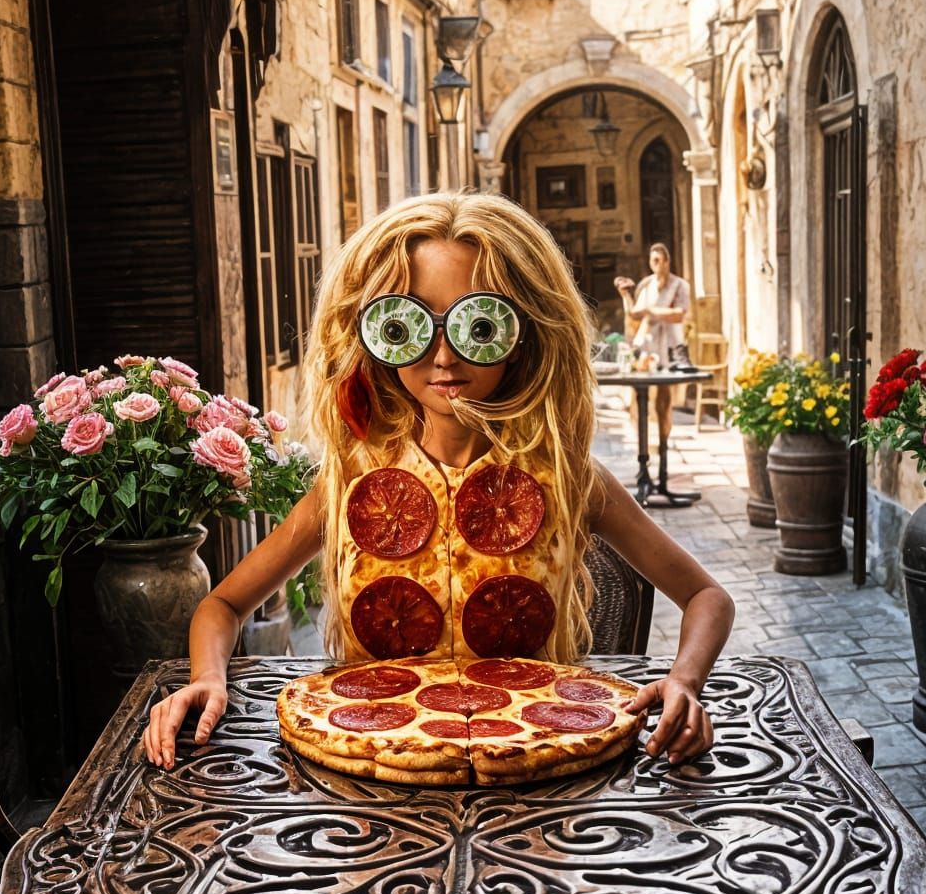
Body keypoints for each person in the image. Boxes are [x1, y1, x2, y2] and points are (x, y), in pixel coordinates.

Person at [144, 196, 733, 771]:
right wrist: (207, 680)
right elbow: (221, 605)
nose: (444, 356)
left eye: (479, 325)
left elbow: (708, 597)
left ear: (522, 333)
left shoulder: (568, 476)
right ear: (378, 336)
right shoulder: (350, 480)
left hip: (536, 775)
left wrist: (684, 682)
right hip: (371, 776)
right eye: (411, 326)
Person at [614, 242, 691, 451]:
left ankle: (664, 443)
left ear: (666, 261)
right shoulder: (646, 285)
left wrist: (651, 311)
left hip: (668, 347)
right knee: (638, 396)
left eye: (658, 260)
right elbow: (634, 314)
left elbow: (680, 313)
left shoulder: (679, 285)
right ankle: (643, 445)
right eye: (652, 260)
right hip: (646, 347)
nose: (654, 264)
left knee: (664, 399)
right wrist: (625, 295)